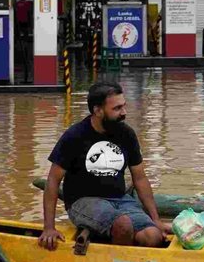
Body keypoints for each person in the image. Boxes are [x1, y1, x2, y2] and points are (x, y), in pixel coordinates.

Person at [39, 81, 171, 251]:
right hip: (83, 202)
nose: (124, 113)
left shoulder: (127, 134)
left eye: (124, 106)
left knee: (153, 236)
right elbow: (53, 181)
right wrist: (49, 227)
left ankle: (116, 247)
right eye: (117, 109)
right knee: (123, 225)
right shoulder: (75, 136)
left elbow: (140, 178)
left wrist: (156, 220)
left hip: (120, 200)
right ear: (98, 111)